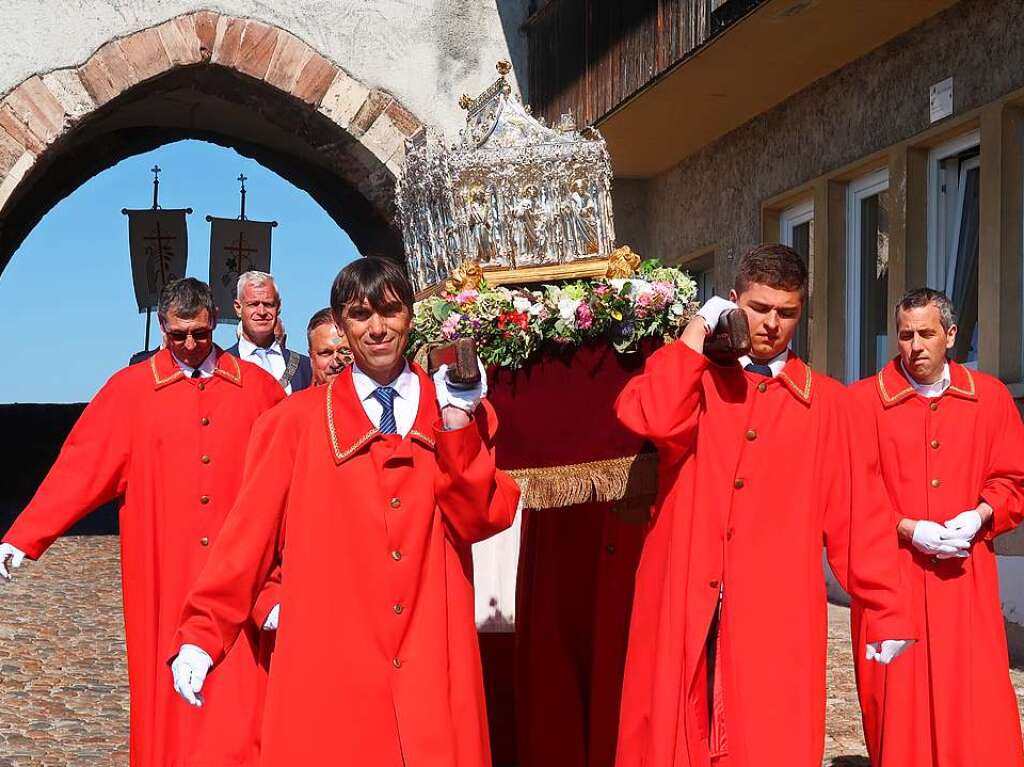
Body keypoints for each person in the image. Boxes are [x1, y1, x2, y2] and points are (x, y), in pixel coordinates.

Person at [169, 257, 521, 765]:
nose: (377, 329)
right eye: (360, 315)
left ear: (410, 317)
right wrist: (202, 635)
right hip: (331, 664)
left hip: (431, 662)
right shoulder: (292, 425)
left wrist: (457, 420)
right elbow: (246, 540)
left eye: (391, 311)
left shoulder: (458, 413)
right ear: (340, 323)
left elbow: (480, 518)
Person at [612, 244, 914, 767]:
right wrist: (693, 337)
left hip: (774, 612)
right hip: (680, 592)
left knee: (765, 741)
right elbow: (653, 418)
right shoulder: (692, 381)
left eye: (787, 312)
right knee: (670, 738)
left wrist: (887, 611)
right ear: (732, 302)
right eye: (758, 308)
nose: (772, 324)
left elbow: (859, 515)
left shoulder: (830, 405)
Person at [0, 278, 285, 767]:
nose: (191, 345)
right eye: (179, 336)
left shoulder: (259, 390)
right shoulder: (129, 392)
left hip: (243, 580)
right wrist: (25, 536)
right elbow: (81, 468)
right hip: (163, 577)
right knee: (168, 701)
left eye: (199, 333)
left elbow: (294, 476)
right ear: (162, 328)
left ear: (216, 321)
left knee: (244, 705)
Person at [848, 288, 1024, 767]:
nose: (915, 346)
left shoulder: (989, 398)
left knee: (976, 699)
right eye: (905, 335)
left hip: (967, 581)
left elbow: (1013, 478)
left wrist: (981, 513)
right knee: (896, 701)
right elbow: (848, 493)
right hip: (891, 580)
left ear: (951, 335)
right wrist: (906, 527)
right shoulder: (861, 404)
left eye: (927, 334)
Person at [227, 270, 312, 393]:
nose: (261, 312)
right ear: (238, 308)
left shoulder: (303, 367)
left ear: (278, 307)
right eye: (253, 304)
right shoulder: (221, 365)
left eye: (268, 304)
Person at [306, 306, 352, 385]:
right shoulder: (299, 398)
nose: (336, 364)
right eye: (326, 353)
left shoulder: (377, 396)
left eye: (344, 351)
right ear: (311, 357)